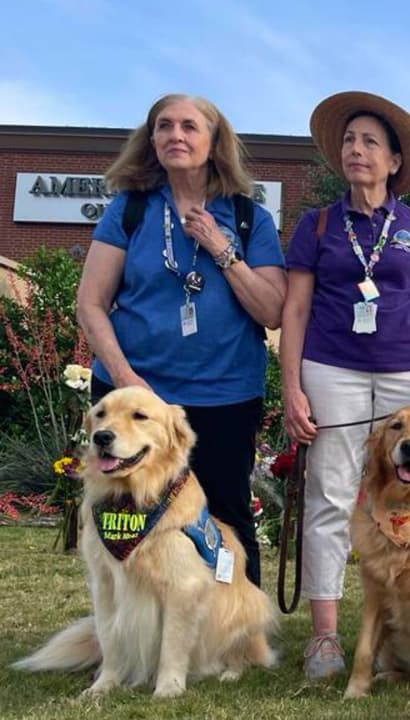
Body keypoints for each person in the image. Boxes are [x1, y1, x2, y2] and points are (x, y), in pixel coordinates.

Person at [280, 91, 410, 680]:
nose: (356, 150)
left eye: (370, 142)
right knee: (330, 494)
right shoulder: (318, 224)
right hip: (332, 368)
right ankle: (326, 638)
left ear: (394, 160)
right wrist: (291, 387)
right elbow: (295, 310)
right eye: (349, 141)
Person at [77, 93, 286, 588]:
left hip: (224, 396)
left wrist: (220, 247)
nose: (176, 135)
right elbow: (90, 304)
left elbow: (272, 310)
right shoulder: (129, 210)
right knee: (125, 517)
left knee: (225, 513)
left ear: (215, 142)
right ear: (151, 140)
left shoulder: (248, 218)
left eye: (190, 126)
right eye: (164, 126)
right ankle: (130, 622)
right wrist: (127, 381)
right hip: (136, 395)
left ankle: (237, 620)